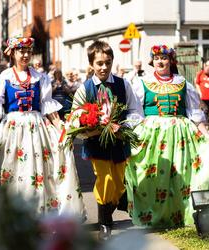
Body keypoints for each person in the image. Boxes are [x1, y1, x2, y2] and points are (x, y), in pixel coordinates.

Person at [0, 37, 86, 220]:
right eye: (22, 51)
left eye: (29, 51)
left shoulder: (40, 78)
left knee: (38, 172)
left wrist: (62, 130)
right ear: (12, 53)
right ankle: (13, 217)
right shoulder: (3, 79)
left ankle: (38, 218)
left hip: (37, 130)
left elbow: (49, 110)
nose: (26, 55)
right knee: (11, 171)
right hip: (12, 130)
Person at [125, 44, 209, 228]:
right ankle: (153, 216)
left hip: (181, 135)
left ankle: (185, 214)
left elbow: (194, 112)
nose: (161, 61)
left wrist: (206, 134)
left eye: (164, 58)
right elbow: (136, 113)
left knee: (182, 174)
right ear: (152, 61)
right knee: (153, 176)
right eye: (157, 58)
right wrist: (130, 133)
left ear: (171, 60)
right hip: (153, 135)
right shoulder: (142, 82)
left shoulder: (183, 83)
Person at [72, 40, 143, 240]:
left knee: (119, 183)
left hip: (119, 141)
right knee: (105, 180)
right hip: (97, 144)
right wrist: (89, 128)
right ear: (92, 64)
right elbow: (76, 116)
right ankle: (105, 223)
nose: (104, 67)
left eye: (108, 63)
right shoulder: (85, 88)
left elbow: (135, 110)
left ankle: (118, 202)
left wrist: (125, 126)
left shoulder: (122, 84)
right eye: (100, 63)